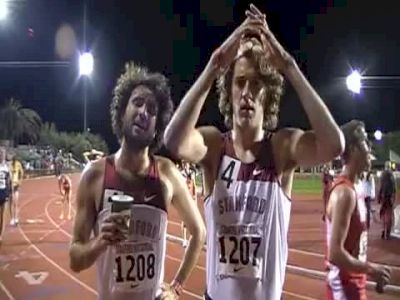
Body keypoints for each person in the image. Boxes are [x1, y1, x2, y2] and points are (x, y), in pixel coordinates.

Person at [163, 4, 344, 299]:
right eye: (240, 82)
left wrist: (288, 66)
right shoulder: (213, 146)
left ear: (268, 93)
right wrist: (214, 66)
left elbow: (335, 145)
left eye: (257, 84)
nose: (247, 92)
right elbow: (173, 140)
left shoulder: (282, 148)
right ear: (229, 91)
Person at [69, 62, 206, 300]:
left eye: (152, 109)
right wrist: (101, 241)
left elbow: (199, 232)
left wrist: (176, 287)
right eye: (138, 102)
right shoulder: (95, 175)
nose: (144, 111)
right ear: (122, 112)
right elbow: (75, 258)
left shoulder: (167, 174)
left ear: (156, 128)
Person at [326, 120, 391, 299]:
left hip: (355, 287)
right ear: (353, 149)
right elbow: (335, 253)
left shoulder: (356, 189)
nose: (369, 148)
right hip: (343, 291)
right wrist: (372, 269)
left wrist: (368, 272)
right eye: (365, 141)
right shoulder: (344, 193)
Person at [179, 161, 198, 248]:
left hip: (191, 198)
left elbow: (194, 185)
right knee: (184, 220)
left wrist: (195, 198)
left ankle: (191, 238)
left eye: (187, 163)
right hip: (184, 198)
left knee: (192, 219)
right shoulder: (181, 173)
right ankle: (184, 239)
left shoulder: (191, 173)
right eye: (185, 163)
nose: (186, 165)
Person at [378, 163, 396, 240]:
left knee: (383, 214)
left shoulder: (382, 175)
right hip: (389, 197)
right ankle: (387, 232)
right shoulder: (392, 176)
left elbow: (380, 186)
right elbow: (394, 188)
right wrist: (393, 197)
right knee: (389, 215)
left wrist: (379, 196)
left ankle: (383, 229)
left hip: (383, 197)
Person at [0, 147, 12, 244]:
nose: (1, 155)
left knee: (3, 215)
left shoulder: (7, 167)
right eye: (0, 153)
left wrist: (9, 192)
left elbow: (9, 180)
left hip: (4, 191)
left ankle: (1, 235)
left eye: (2, 153)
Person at [10, 156, 24, 225]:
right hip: (10, 185)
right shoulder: (9, 165)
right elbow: (9, 174)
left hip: (16, 185)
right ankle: (12, 218)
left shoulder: (18, 164)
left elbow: (22, 172)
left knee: (16, 202)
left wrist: (20, 181)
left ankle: (16, 218)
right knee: (12, 203)